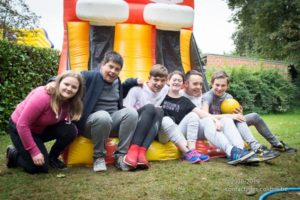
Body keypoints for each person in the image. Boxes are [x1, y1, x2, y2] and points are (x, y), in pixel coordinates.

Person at [202, 71, 297, 159]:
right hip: (218, 130)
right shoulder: (207, 96)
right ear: (212, 83)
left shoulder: (228, 97)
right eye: (217, 85)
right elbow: (204, 115)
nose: (220, 88)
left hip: (231, 126)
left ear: (227, 86)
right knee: (237, 119)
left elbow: (235, 117)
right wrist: (230, 116)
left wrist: (239, 113)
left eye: (223, 85)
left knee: (253, 116)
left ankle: (276, 144)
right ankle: (256, 148)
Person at [6, 71, 84, 174]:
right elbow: (22, 124)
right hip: (19, 128)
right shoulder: (43, 97)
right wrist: (34, 152)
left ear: (78, 91)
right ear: (58, 82)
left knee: (70, 130)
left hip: (40, 129)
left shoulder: (71, 102)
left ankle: (53, 158)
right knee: (38, 167)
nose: (69, 89)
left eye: (74, 87)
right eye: (66, 84)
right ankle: (13, 153)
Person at [181, 70, 258, 164]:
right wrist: (215, 120)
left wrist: (233, 114)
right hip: (186, 129)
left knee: (226, 119)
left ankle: (240, 151)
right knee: (207, 120)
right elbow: (202, 115)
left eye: (201, 84)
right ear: (186, 84)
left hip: (199, 128)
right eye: (195, 84)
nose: (199, 87)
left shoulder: (199, 94)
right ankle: (231, 151)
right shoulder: (180, 95)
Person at [160, 70, 216, 164]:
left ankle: (192, 151)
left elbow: (201, 113)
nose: (176, 82)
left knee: (193, 115)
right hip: (162, 134)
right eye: (174, 79)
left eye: (179, 80)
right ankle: (187, 153)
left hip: (177, 133)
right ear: (168, 81)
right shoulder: (161, 96)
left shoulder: (184, 101)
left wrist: (215, 120)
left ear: (183, 84)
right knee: (166, 120)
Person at [123, 64, 168, 169]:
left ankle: (142, 151)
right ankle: (133, 150)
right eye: (156, 80)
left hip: (149, 126)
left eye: (162, 81)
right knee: (150, 107)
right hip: (135, 123)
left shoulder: (165, 89)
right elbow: (127, 111)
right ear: (149, 78)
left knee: (160, 110)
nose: (159, 84)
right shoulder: (137, 89)